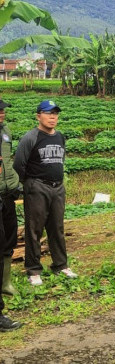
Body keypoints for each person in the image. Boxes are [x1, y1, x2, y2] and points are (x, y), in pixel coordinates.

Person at [14, 100, 77, 286]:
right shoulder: (30, 137)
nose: (53, 117)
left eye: (55, 114)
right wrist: (30, 184)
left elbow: (61, 159)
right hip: (37, 186)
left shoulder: (60, 137)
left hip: (57, 187)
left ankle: (61, 265)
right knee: (34, 229)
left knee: (57, 227)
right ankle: (33, 269)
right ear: (38, 115)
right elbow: (19, 164)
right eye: (48, 113)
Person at [0, 99, 21, 331]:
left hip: (7, 194)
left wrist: (14, 182)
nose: (2, 113)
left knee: (9, 241)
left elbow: (9, 160)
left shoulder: (6, 130)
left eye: (3, 109)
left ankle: (5, 283)